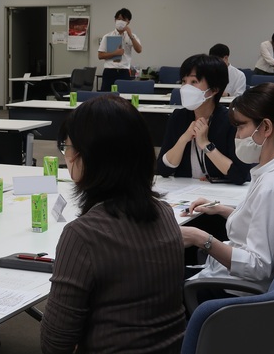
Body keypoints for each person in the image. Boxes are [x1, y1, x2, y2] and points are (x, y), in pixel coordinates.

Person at [41, 96, 185, 353]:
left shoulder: (83, 235)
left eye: (68, 147)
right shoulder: (164, 213)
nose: (67, 156)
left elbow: (55, 345)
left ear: (92, 157)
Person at [182, 83, 274, 298]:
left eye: (241, 126)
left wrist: (202, 239)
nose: (237, 135)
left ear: (266, 128)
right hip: (237, 282)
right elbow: (265, 223)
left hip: (241, 297)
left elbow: (257, 266)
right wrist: (222, 209)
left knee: (154, 283)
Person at [157, 54, 251, 185]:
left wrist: (206, 145)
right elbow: (162, 169)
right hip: (185, 191)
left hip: (218, 196)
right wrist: (183, 139)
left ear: (214, 90)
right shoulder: (178, 117)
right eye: (184, 82)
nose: (185, 88)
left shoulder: (230, 121)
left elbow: (240, 175)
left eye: (194, 82)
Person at [97, 8, 142, 92]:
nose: (120, 21)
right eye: (118, 19)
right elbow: (100, 55)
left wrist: (130, 35)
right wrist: (114, 53)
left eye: (123, 19)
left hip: (124, 71)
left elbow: (139, 50)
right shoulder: (107, 36)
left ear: (128, 22)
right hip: (109, 71)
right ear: (115, 20)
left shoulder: (132, 36)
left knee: (124, 98)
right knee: (106, 97)